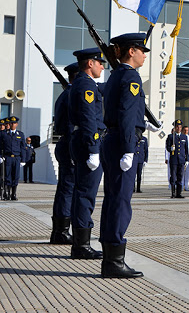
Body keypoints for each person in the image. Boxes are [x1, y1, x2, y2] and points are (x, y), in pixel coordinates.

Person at [100, 32, 159, 278]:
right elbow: (124, 113)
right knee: (120, 202)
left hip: (113, 139)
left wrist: (142, 123)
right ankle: (114, 262)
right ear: (131, 51)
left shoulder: (116, 76)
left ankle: (110, 258)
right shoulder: (131, 77)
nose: (145, 55)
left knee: (113, 200)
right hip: (123, 143)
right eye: (141, 50)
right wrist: (128, 148)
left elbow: (123, 111)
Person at [68, 48, 107, 260]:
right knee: (85, 194)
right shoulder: (85, 85)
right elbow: (87, 117)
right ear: (90, 64)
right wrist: (93, 148)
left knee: (82, 193)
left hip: (84, 141)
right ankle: (81, 246)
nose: (103, 66)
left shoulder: (84, 83)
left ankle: (80, 243)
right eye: (100, 62)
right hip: (87, 143)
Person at [50, 62, 79, 244]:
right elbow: (69, 125)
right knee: (68, 190)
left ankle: (60, 230)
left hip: (65, 144)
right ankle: (61, 232)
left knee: (65, 189)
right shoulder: (71, 95)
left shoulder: (64, 94)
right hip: (70, 145)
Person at [1, 116, 27, 201]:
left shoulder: (20, 134)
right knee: (7, 176)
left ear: (17, 124)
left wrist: (23, 160)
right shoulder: (4, 134)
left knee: (15, 176)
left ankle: (14, 194)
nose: (12, 124)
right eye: (11, 123)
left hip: (16, 158)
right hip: (7, 157)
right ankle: (7, 193)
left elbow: (23, 148)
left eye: (14, 123)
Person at [165, 120, 189, 198]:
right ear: (175, 128)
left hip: (181, 159)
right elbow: (167, 147)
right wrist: (170, 149)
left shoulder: (184, 137)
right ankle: (173, 193)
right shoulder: (171, 136)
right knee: (173, 177)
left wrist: (187, 159)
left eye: (180, 127)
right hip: (174, 159)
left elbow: (186, 149)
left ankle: (179, 193)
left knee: (180, 176)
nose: (179, 128)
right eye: (177, 127)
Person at [181, 126, 189, 191]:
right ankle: (181, 185)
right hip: (182, 156)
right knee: (181, 172)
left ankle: (186, 185)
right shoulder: (181, 137)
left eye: (187, 130)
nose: (186, 131)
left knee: (187, 172)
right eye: (184, 130)